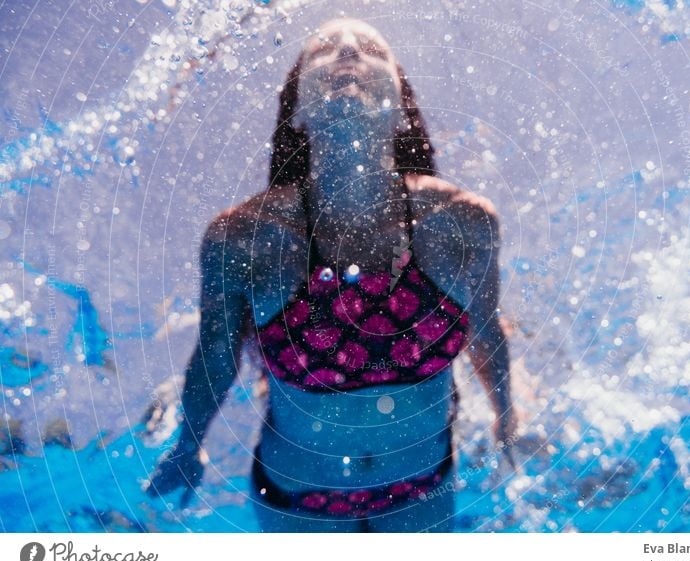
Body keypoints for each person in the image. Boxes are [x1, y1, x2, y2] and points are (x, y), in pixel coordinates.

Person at [146, 18, 517, 532]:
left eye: (371, 49)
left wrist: (507, 423)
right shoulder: (244, 239)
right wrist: (187, 449)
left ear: (402, 112)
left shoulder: (462, 224)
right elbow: (215, 355)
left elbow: (487, 334)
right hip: (297, 499)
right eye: (323, 51)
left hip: (423, 489)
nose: (347, 51)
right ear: (297, 112)